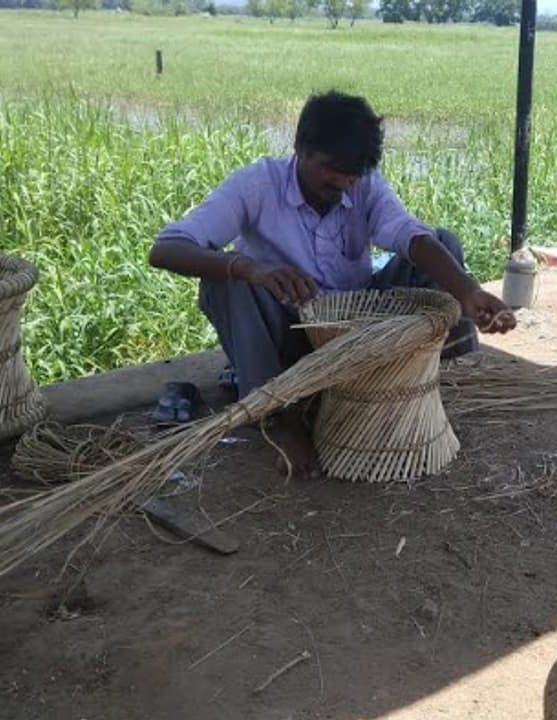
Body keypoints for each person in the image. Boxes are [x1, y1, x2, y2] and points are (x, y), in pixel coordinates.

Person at [149, 90, 516, 479]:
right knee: (225, 282)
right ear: (300, 148)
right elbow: (166, 249)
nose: (342, 180)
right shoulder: (256, 186)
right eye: (332, 168)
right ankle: (277, 415)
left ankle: (429, 375)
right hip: (290, 336)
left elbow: (409, 235)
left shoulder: (361, 184)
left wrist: (468, 291)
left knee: (441, 243)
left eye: (353, 171)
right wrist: (249, 268)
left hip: (357, 329)